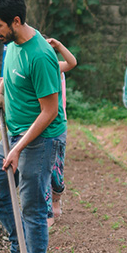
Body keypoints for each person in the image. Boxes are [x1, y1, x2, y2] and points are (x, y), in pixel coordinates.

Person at [0, 0, 66, 253]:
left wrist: (18, 148)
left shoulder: (40, 55)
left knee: (30, 202)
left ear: (15, 21)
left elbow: (49, 111)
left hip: (41, 138)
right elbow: (7, 79)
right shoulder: (12, 44)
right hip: (13, 131)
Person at [44, 37, 77, 227]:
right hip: (39, 124)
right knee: (43, 171)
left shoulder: (56, 66)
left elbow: (72, 62)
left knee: (56, 173)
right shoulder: (33, 67)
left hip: (58, 123)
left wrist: (58, 46)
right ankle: (46, 210)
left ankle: (56, 196)